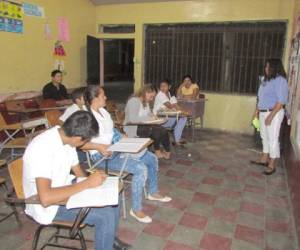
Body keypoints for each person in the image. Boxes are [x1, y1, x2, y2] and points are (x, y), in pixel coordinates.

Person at [23, 111, 130, 250]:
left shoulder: (66, 138)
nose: (85, 145)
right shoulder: (42, 148)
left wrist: (94, 183)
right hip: (47, 205)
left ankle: (109, 240)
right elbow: (46, 198)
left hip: (65, 187)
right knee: (105, 215)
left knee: (112, 197)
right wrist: (87, 183)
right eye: (86, 141)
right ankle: (107, 240)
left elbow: (78, 171)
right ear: (78, 138)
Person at [81, 85, 171, 224]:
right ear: (95, 98)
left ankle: (153, 192)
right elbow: (79, 144)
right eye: (103, 95)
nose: (106, 97)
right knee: (140, 168)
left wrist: (125, 138)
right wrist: (98, 146)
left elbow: (112, 132)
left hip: (116, 150)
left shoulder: (103, 113)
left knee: (151, 158)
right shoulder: (85, 117)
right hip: (101, 157)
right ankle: (136, 209)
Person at [251, 58, 288, 175]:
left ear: (275, 68)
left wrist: (271, 116)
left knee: (273, 138)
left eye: (268, 67)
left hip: (274, 113)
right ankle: (264, 158)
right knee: (264, 136)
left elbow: (281, 101)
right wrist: (256, 112)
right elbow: (260, 98)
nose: (266, 69)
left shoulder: (280, 81)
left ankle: (272, 163)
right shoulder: (265, 80)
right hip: (262, 112)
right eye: (266, 66)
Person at [124, 84, 171, 159]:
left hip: (143, 126)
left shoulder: (145, 102)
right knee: (156, 130)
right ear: (145, 93)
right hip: (133, 128)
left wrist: (155, 117)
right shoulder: (133, 101)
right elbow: (132, 119)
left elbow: (149, 114)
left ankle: (167, 151)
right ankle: (157, 150)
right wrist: (149, 119)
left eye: (153, 97)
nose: (152, 99)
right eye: (151, 96)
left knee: (162, 129)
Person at [153, 80, 188, 145]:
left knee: (183, 118)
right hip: (159, 118)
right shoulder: (160, 94)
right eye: (161, 86)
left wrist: (184, 112)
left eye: (164, 86)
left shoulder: (170, 94)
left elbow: (176, 106)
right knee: (182, 117)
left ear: (169, 87)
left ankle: (177, 139)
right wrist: (182, 112)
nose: (162, 88)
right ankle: (176, 137)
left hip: (167, 116)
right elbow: (170, 106)